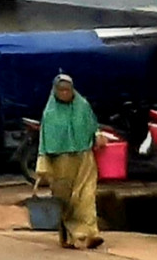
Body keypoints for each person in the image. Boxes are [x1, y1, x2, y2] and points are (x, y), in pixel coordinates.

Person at [35, 73, 105, 250]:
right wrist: (43, 165)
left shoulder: (82, 106)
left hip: (84, 157)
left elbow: (93, 125)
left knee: (86, 195)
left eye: (68, 89)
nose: (65, 93)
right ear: (55, 91)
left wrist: (97, 135)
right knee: (66, 200)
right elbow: (44, 141)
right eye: (61, 90)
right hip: (60, 161)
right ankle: (68, 235)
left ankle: (89, 234)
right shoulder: (50, 113)